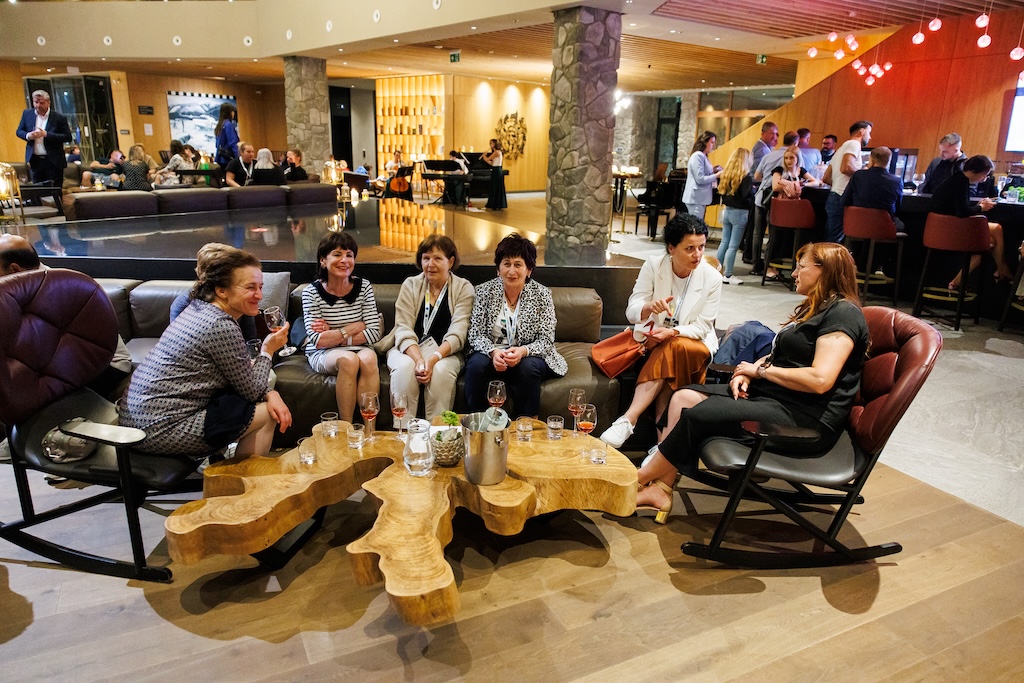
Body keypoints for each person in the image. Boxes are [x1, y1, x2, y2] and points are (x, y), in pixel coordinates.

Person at [634, 242, 870, 523]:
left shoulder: (843, 314)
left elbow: (820, 379)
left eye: (801, 267)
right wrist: (748, 371)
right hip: (779, 398)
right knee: (684, 397)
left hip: (805, 419)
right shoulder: (817, 308)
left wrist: (762, 373)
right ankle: (661, 489)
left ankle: (638, 478)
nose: (794, 274)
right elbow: (781, 354)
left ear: (825, 271)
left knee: (698, 414)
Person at [119, 249, 293, 459]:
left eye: (260, 287)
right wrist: (268, 350)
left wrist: (269, 392)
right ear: (221, 290)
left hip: (136, 419)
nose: (259, 295)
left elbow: (243, 380)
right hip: (157, 429)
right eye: (250, 287)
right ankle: (241, 479)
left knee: (246, 403)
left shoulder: (197, 309)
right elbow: (251, 391)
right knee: (267, 414)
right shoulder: (220, 325)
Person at [599, 214, 721, 448]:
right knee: (669, 364)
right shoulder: (654, 266)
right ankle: (662, 445)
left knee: (673, 345)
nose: (697, 255)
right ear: (671, 248)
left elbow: (702, 327)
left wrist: (672, 333)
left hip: (695, 344)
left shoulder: (712, 277)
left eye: (701, 247)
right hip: (657, 341)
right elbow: (632, 310)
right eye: (690, 248)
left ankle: (629, 419)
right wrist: (648, 307)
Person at [465, 233, 566, 417]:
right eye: (506, 264)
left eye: (518, 264)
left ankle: (527, 424)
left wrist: (523, 351)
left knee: (527, 367)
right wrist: (493, 352)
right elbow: (475, 334)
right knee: (476, 365)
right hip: (493, 355)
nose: (512, 271)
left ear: (529, 270)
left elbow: (546, 339)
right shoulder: (484, 292)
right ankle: (477, 422)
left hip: (527, 356)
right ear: (498, 268)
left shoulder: (542, 295)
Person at [387, 235, 476, 419]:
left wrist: (433, 359)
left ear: (451, 261)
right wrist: (419, 359)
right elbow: (403, 328)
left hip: (446, 353)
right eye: (426, 258)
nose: (430, 264)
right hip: (409, 350)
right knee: (404, 368)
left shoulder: (463, 288)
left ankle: (437, 430)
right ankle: (404, 429)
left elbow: (458, 333)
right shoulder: (411, 285)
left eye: (437, 258)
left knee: (441, 371)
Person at [302, 232, 382, 422]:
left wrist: (334, 333)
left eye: (349, 255)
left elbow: (374, 333)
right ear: (323, 260)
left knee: (369, 358)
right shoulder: (311, 292)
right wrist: (354, 327)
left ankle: (369, 430)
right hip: (323, 353)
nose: (344, 260)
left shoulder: (364, 287)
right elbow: (318, 341)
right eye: (337, 254)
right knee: (348, 360)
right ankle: (347, 428)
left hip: (360, 348)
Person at [930, 155, 1013, 288]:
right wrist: (981, 208)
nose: (985, 178)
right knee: (994, 232)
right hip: (949, 230)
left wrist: (978, 206)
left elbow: (958, 207)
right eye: (984, 175)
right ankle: (1002, 270)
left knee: (988, 242)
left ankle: (957, 282)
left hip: (940, 228)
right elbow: (962, 212)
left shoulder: (957, 179)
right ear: (974, 171)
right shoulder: (960, 183)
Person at [750, 131, 800, 275]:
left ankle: (756, 265)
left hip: (761, 198)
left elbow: (757, 176)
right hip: (777, 203)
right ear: (795, 143)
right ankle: (770, 266)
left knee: (757, 234)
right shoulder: (793, 159)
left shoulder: (768, 155)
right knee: (773, 235)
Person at [823, 120, 873, 244]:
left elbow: (826, 178)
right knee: (834, 242)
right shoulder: (854, 144)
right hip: (841, 198)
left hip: (833, 196)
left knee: (831, 238)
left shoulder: (841, 149)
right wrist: (864, 175)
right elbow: (846, 168)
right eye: (869, 133)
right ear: (862, 131)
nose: (870, 137)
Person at [16, 90, 73, 189]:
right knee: (38, 190)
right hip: (35, 160)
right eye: (36, 102)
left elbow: (67, 137)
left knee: (54, 190)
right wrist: (28, 136)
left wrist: (47, 134)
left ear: (48, 102)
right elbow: (19, 131)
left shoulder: (59, 118)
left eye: (41, 103)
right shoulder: (27, 114)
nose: (38, 105)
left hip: (53, 161)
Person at [842, 146, 904, 231]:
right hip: (883, 227)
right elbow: (898, 208)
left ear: (871, 159)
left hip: (858, 225)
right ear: (889, 161)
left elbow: (844, 201)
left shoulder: (858, 175)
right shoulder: (897, 181)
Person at [716, 147, 753, 285]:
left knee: (724, 242)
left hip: (727, 211)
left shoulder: (726, 174)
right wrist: (753, 191)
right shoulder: (746, 177)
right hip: (740, 213)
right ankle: (728, 274)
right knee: (733, 246)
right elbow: (745, 196)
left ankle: (716, 271)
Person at [681, 131, 722, 220]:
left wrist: (714, 170)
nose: (713, 145)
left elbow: (704, 172)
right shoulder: (698, 156)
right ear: (705, 142)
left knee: (698, 223)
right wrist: (716, 175)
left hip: (700, 198)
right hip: (696, 199)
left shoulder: (704, 156)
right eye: (712, 142)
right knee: (695, 224)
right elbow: (700, 178)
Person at [482, 139, 507, 210]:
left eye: (492, 143)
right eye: (490, 143)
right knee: (494, 187)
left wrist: (484, 156)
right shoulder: (497, 152)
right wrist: (485, 158)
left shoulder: (496, 152)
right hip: (496, 169)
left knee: (495, 187)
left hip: (497, 170)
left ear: (495, 144)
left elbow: (487, 159)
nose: (490, 145)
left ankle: (495, 204)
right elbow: (492, 163)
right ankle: (495, 204)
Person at [215, 102, 239, 168]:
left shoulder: (220, 125)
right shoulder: (228, 124)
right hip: (228, 158)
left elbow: (217, 144)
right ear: (229, 112)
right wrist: (238, 157)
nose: (233, 113)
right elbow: (232, 142)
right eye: (232, 111)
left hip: (220, 157)